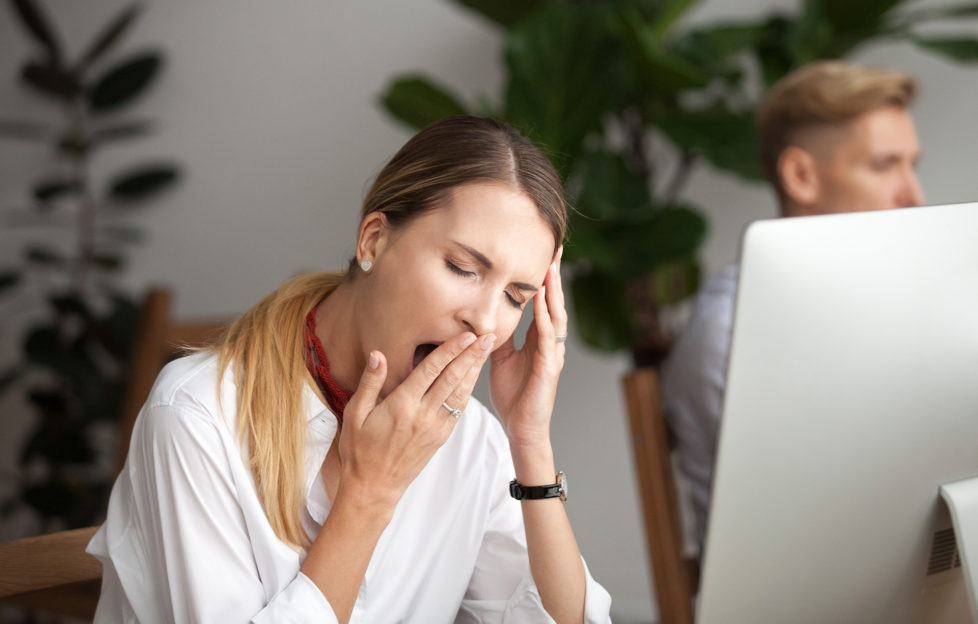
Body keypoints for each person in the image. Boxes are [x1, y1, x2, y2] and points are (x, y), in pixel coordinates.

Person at [87, 116, 612, 623]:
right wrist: (370, 494)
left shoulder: (472, 442)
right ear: (373, 241)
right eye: (463, 268)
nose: (483, 320)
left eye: (515, 297)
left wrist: (530, 441)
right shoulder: (196, 417)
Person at [661, 61, 925, 556]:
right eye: (884, 165)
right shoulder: (733, 332)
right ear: (802, 175)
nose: (913, 196)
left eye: (913, 165)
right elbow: (810, 532)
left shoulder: (897, 310)